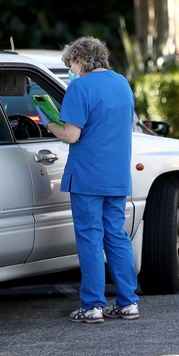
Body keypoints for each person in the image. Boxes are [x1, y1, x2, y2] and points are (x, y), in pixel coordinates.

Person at [36, 36, 140, 323]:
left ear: (80, 60)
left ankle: (92, 305)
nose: (72, 69)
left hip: (87, 175)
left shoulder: (80, 87)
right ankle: (127, 302)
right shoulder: (122, 83)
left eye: (71, 64)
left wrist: (48, 123)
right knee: (117, 236)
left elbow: (71, 134)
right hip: (117, 174)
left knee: (91, 239)